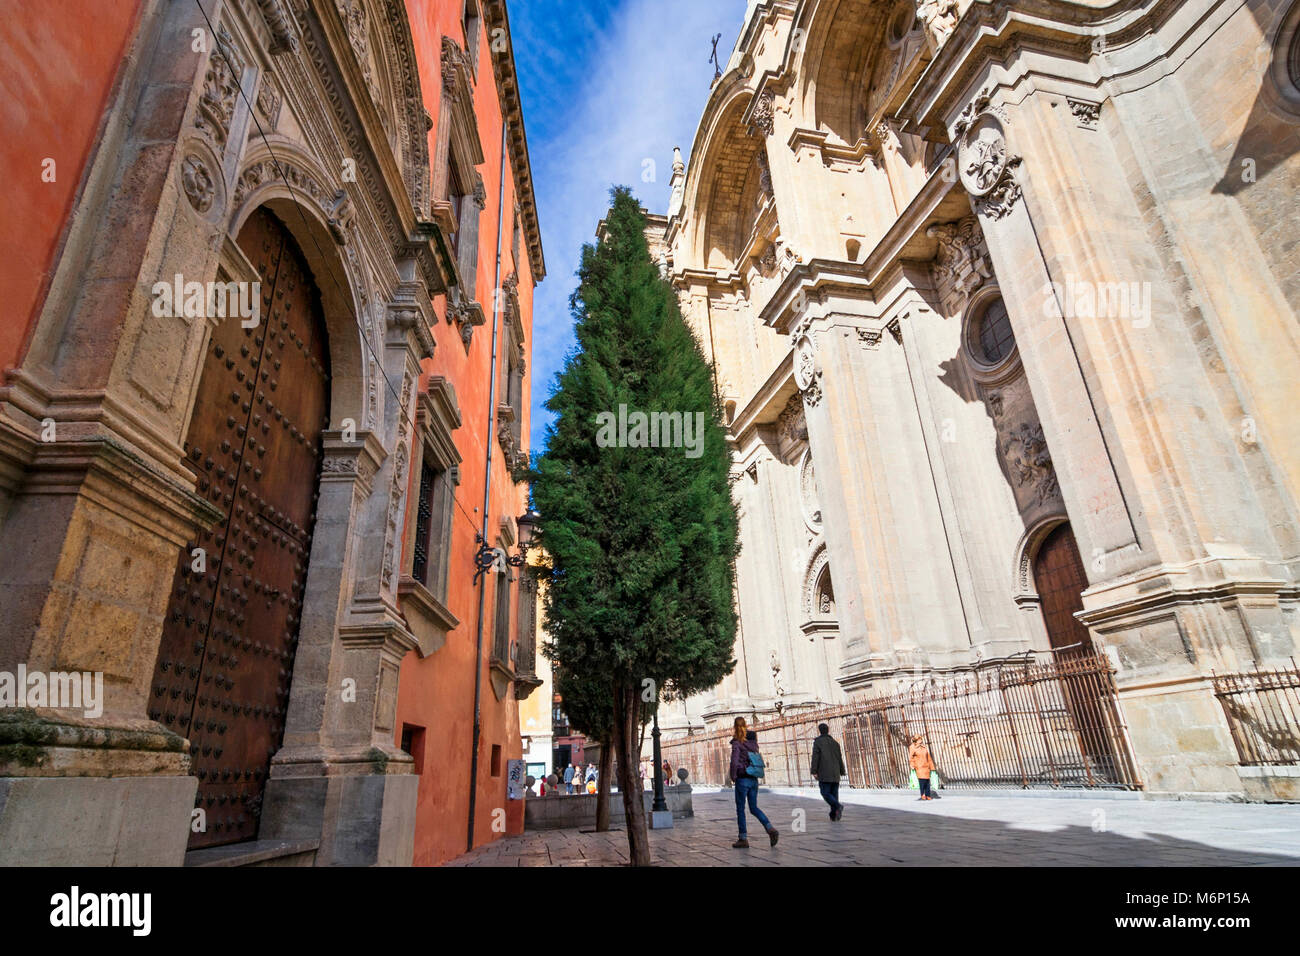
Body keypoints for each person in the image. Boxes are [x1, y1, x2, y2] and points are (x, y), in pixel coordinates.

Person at [729, 717, 778, 849]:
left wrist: (733, 776)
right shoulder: (753, 742)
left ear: (734, 726)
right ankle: (770, 828)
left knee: (740, 809)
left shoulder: (737, 743)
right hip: (753, 778)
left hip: (742, 778)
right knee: (754, 808)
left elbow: (734, 761)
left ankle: (743, 838)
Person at [810, 722, 846, 821]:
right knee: (834, 794)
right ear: (828, 730)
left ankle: (838, 806)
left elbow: (815, 757)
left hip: (824, 772)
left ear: (819, 731)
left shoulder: (818, 742)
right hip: (835, 773)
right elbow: (839, 757)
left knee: (825, 792)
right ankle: (834, 815)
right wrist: (842, 770)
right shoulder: (835, 743)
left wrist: (814, 771)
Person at [909, 734, 936, 800]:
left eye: (921, 739)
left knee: (927, 781)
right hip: (919, 766)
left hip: (926, 766)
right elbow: (911, 757)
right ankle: (923, 794)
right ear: (916, 740)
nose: (921, 740)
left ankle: (928, 795)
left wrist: (932, 767)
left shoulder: (924, 747)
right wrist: (912, 765)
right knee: (922, 781)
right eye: (919, 739)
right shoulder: (912, 747)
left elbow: (929, 757)